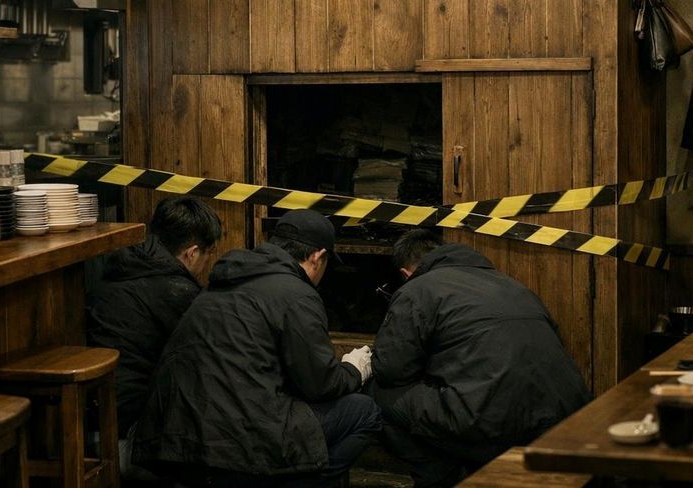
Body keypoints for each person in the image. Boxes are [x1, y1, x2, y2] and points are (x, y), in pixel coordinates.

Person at [132, 208, 381, 487]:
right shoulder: (297, 294)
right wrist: (354, 369)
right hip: (239, 445)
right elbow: (321, 384)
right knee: (364, 411)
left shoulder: (222, 282)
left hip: (177, 440)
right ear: (318, 257)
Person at [369, 229, 591, 488]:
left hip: (492, 422)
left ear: (405, 273)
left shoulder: (416, 289)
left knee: (379, 392)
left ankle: (441, 477)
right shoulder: (513, 284)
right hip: (562, 415)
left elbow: (391, 369)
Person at [86, 196, 222, 474]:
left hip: (90, 429)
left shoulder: (122, 266)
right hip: (128, 443)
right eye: (209, 254)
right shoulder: (177, 292)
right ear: (192, 253)